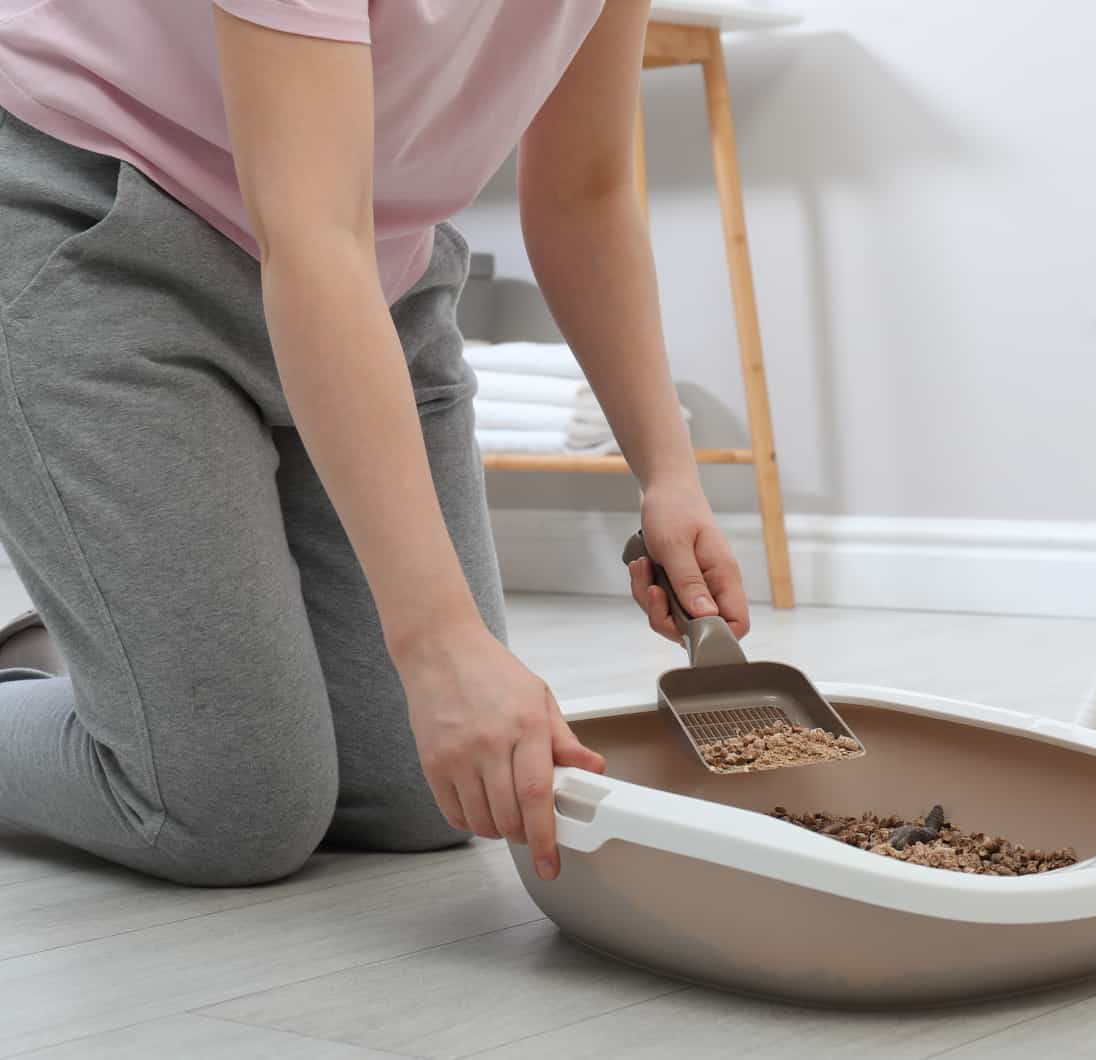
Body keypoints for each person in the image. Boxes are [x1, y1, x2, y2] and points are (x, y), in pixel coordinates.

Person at [0, 0, 748, 886]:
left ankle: (136, 655)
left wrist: (667, 474)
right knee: (229, 810)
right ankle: (147, 670)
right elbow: (310, 235)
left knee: (429, 797)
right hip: (99, 228)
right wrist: (439, 642)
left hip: (374, 281)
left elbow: (586, 192)